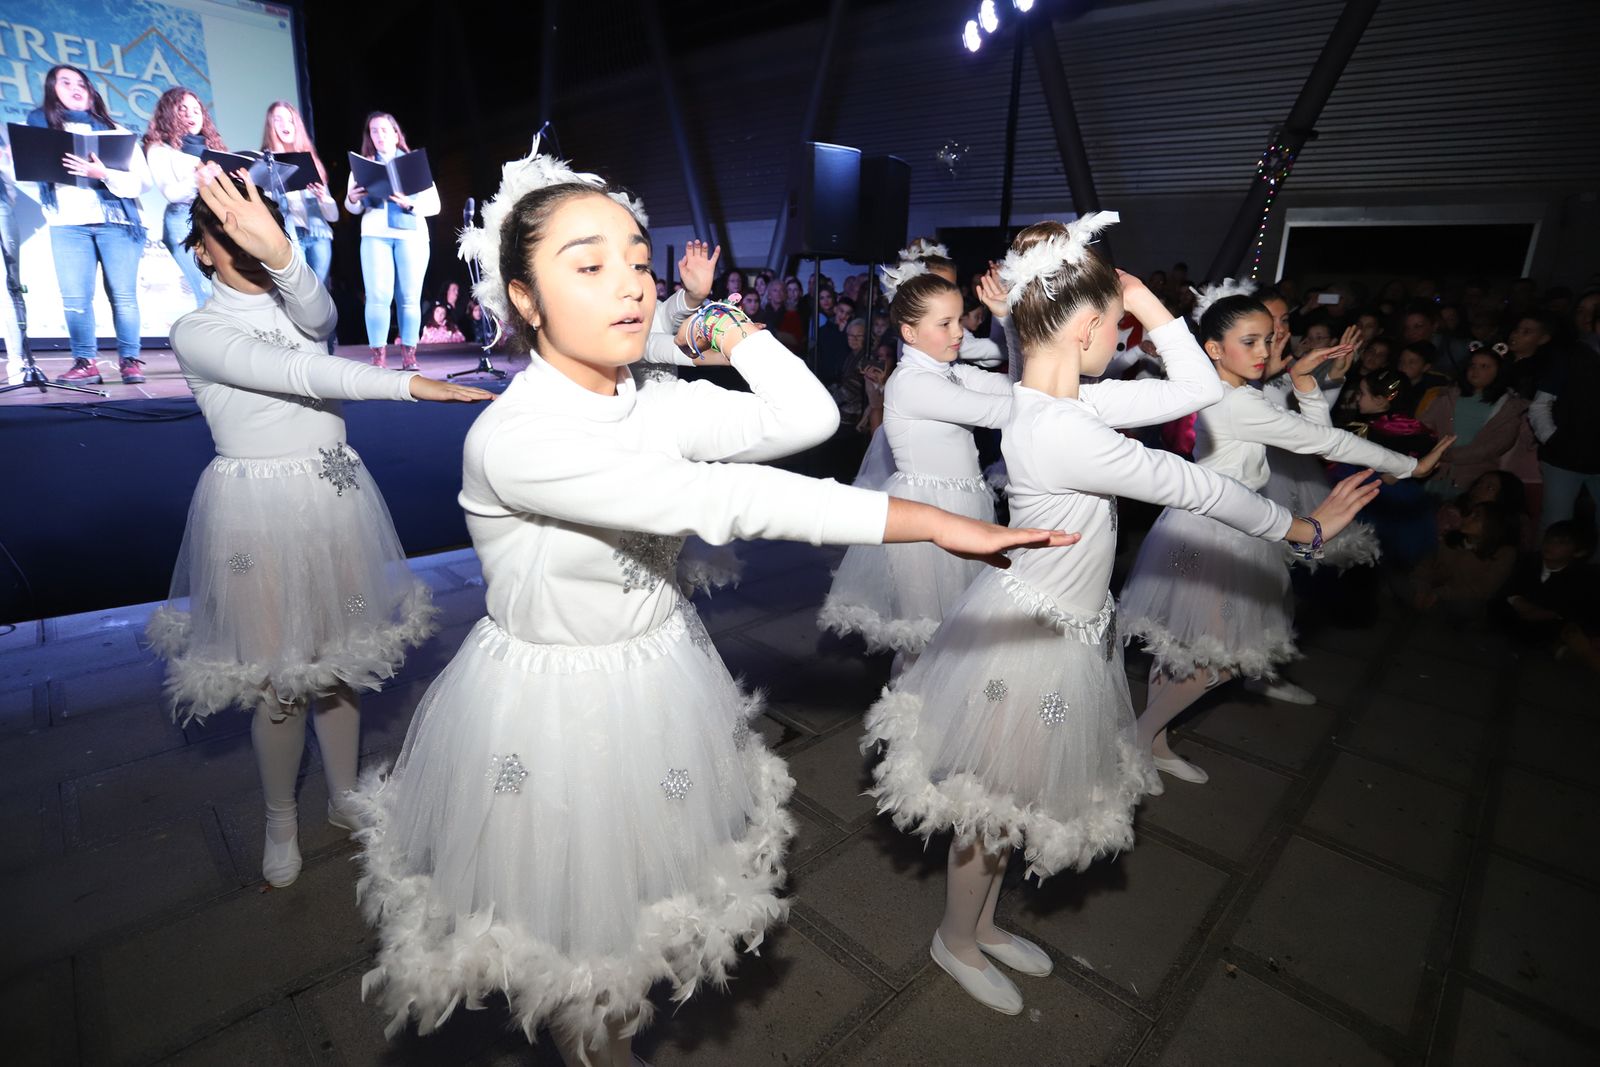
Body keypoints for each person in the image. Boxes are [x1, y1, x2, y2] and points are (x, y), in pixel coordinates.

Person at [348, 150, 1072, 1066]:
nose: (633, 288)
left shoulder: (648, 398)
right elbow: (726, 502)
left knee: (646, 913)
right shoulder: (514, 438)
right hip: (555, 702)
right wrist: (921, 519)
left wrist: (734, 328)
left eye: (639, 263)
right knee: (575, 942)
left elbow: (806, 418)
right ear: (524, 299)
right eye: (589, 265)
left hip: (655, 667)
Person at [861, 214, 1377, 1016]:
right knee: (995, 806)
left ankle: (984, 923)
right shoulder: (1071, 427)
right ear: (1091, 327)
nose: (1128, 329)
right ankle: (956, 938)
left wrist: (1136, 296)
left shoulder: (1065, 402)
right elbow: (1197, 486)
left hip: (1064, 623)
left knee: (1013, 801)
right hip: (1031, 639)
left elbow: (1201, 388)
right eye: (1120, 320)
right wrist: (1304, 528)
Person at [144, 163, 492, 888]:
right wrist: (407, 382)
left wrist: (282, 252)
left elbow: (322, 321)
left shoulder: (289, 298)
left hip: (334, 497)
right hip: (255, 512)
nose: (238, 240)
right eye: (222, 232)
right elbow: (302, 373)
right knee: (281, 675)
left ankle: (340, 796)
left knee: (341, 659)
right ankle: (279, 816)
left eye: (254, 228)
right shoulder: (197, 329)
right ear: (201, 249)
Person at [1119, 284, 1446, 781]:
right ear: (1213, 349)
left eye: (1268, 340)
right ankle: (1140, 739)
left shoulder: (1224, 389)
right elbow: (1323, 440)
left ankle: (1151, 740)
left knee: (1181, 645)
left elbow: (1310, 435)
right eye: (1249, 342)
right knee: (1220, 661)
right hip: (1217, 534)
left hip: (1213, 527)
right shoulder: (1237, 403)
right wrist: (1408, 465)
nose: (1264, 352)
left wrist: (1306, 383)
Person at [818, 266, 1014, 663]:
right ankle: (910, 716)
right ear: (909, 333)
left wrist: (1006, 320)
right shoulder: (912, 383)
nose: (959, 332)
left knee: (959, 631)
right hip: (924, 513)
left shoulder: (952, 373)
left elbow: (1023, 387)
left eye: (959, 320)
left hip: (964, 506)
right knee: (926, 637)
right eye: (945, 323)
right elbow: (1004, 410)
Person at [27, 64, 151, 386]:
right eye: (65, 82)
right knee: (75, 298)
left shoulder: (116, 131)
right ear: (52, 90)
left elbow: (143, 183)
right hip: (68, 223)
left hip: (118, 223)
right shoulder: (41, 130)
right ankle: (85, 363)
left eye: (81, 82)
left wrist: (104, 174)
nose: (75, 88)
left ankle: (130, 361)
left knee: (123, 296)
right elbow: (30, 176)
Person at [345, 111, 440, 370]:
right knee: (378, 296)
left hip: (411, 235)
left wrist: (409, 203)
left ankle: (410, 356)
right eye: (374, 131)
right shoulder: (364, 165)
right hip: (375, 234)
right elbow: (352, 207)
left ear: (396, 134)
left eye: (385, 130)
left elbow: (435, 205)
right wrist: (352, 199)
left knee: (409, 298)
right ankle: (379, 357)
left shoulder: (412, 163)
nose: (379, 135)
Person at [144, 86, 225, 310]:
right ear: (170, 114)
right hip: (184, 220)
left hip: (216, 219)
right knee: (207, 292)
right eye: (183, 109)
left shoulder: (213, 149)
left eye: (196, 110)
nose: (191, 115)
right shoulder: (160, 148)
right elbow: (170, 193)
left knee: (225, 290)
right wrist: (197, 179)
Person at [1419, 344, 1532, 498]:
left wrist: (1452, 455)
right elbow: (1424, 426)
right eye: (1473, 365)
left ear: (1499, 371)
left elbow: (1498, 444)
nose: (1475, 370)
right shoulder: (1447, 395)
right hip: (1435, 473)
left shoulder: (1508, 407)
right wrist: (1432, 451)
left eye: (1484, 366)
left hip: (1473, 481)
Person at [260, 100, 338, 289]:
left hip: (318, 235)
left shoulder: (310, 160)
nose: (285, 125)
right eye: (278, 120)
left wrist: (323, 198)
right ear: (271, 126)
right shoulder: (266, 164)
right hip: (290, 236)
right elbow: (267, 211)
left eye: (289, 120)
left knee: (320, 295)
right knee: (301, 294)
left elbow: (333, 216)